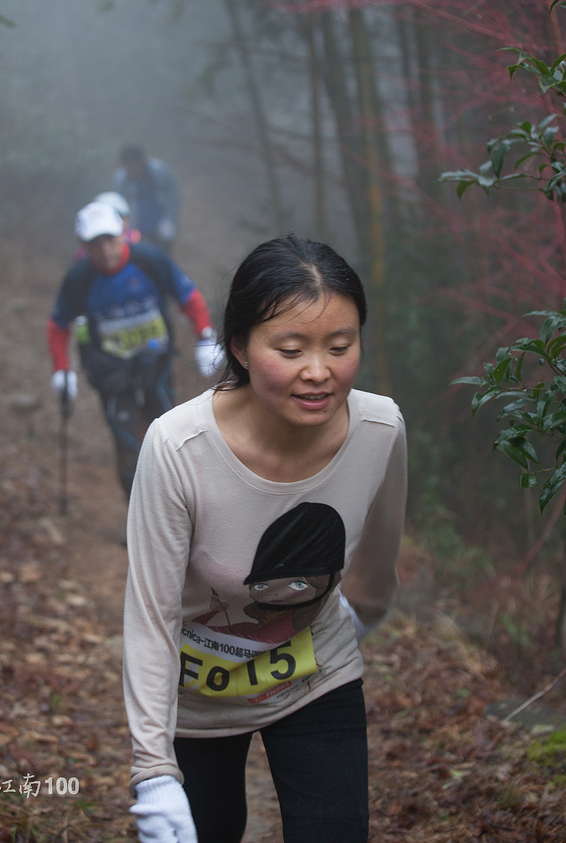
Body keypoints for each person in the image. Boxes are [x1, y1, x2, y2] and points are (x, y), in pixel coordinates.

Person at [123, 233, 407, 842]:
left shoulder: (380, 428)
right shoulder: (179, 449)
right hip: (195, 699)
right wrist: (152, 771)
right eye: (291, 348)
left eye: (340, 346)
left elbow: (381, 559)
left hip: (316, 677)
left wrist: (356, 620)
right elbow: (151, 616)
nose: (318, 372)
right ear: (240, 347)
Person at [47, 200, 222, 501]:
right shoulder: (79, 279)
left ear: (122, 234)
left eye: (109, 240)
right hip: (109, 368)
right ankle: (139, 513)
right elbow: (58, 326)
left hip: (155, 359)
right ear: (83, 246)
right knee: (128, 441)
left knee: (168, 434)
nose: (104, 250)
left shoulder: (149, 260)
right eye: (94, 244)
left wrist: (205, 335)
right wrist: (62, 369)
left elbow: (188, 296)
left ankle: (178, 506)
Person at [113, 144, 181, 252]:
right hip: (137, 229)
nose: (133, 170)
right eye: (128, 167)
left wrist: (169, 221)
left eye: (135, 166)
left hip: (161, 226)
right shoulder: (121, 180)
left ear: (142, 162)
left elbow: (174, 195)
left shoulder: (159, 171)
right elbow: (119, 205)